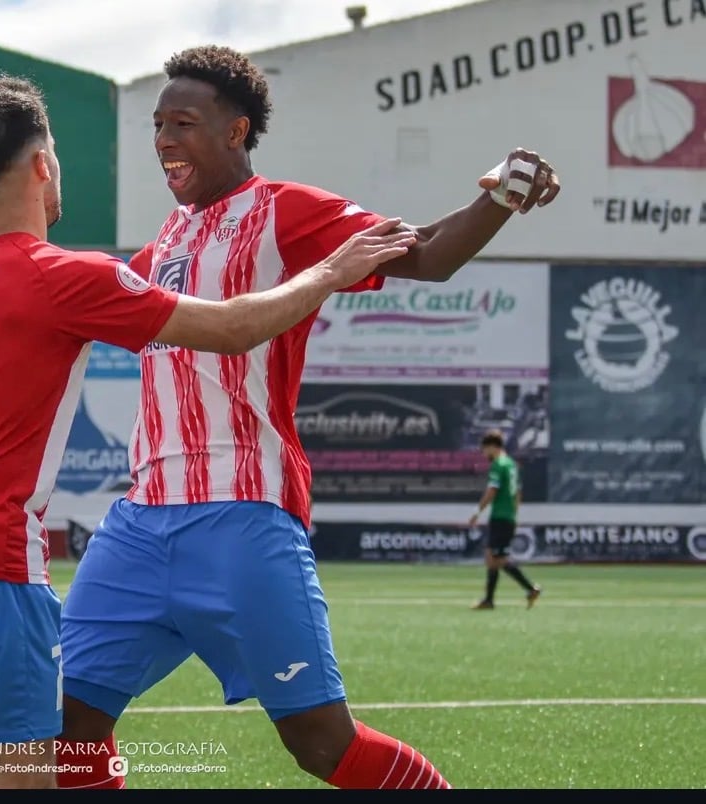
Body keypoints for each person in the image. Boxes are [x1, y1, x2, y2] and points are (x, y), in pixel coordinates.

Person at [0, 73, 415, 790]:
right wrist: (329, 271)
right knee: (27, 778)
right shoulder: (67, 275)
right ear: (43, 166)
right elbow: (231, 328)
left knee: (62, 747)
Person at [56, 45, 562, 791]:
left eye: (184, 123)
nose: (164, 138)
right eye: (158, 124)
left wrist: (502, 196)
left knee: (321, 745)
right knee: (58, 728)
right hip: (137, 523)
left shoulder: (283, 211)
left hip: (241, 513)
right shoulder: (161, 242)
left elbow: (424, 256)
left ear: (236, 131)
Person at [469, 429, 541, 610]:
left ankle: (530, 588)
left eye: (484, 450)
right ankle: (489, 600)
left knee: (498, 559)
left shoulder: (498, 465)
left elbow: (492, 491)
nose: (484, 454)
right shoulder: (512, 465)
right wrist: (515, 515)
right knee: (492, 557)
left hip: (500, 517)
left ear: (492, 447)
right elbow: (517, 493)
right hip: (507, 517)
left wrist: (477, 511)